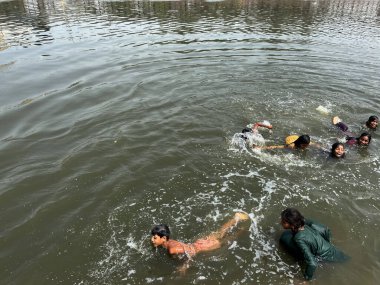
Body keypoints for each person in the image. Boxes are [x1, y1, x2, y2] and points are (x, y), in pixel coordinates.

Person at [279, 208, 349, 281]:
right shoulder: (304, 224)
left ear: (292, 224)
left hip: (330, 258)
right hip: (336, 252)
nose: (280, 223)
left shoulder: (298, 238)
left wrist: (306, 280)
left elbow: (312, 263)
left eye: (284, 222)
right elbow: (325, 230)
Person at [151, 212, 250, 257]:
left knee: (229, 238)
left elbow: (190, 254)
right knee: (220, 233)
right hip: (198, 243)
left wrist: (184, 267)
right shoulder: (168, 242)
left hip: (203, 246)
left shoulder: (172, 250)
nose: (152, 239)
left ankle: (245, 229)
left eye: (154, 238)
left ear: (164, 238)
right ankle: (236, 218)